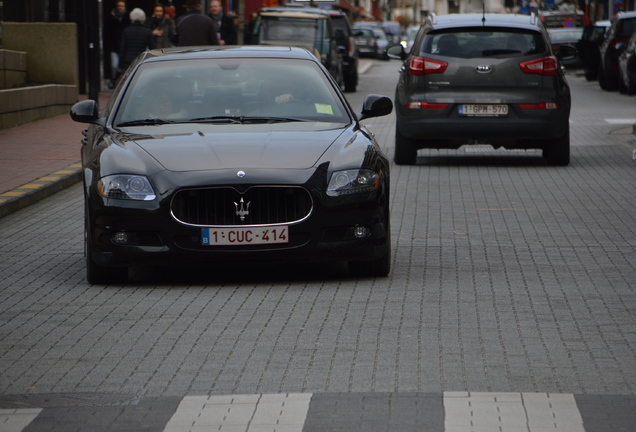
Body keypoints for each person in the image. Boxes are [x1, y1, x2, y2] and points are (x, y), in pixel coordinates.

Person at [119, 8, 155, 75]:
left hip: (128, 61)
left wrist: (120, 65)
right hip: (141, 60)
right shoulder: (147, 32)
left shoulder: (126, 31)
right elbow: (152, 48)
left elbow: (123, 48)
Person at [104, 0, 130, 89]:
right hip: (114, 46)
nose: (120, 7)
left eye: (122, 6)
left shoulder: (128, 18)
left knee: (123, 66)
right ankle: (113, 80)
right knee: (114, 65)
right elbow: (107, 33)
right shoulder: (111, 17)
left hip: (125, 46)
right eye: (118, 5)